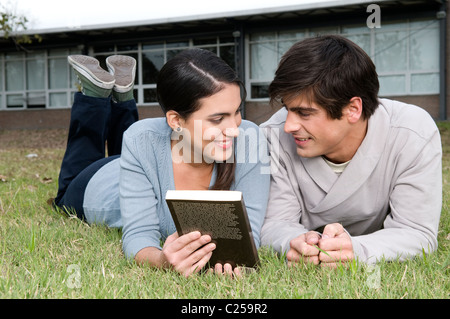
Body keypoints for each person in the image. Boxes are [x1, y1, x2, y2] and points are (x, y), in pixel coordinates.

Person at [54, 49, 270, 277]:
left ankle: (122, 97)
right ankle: (94, 95)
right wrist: (161, 260)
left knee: (138, 139)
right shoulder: (141, 141)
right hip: (99, 182)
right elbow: (138, 234)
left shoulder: (249, 138)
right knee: (82, 157)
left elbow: (249, 232)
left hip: (147, 159)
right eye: (217, 119)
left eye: (237, 112)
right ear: (175, 120)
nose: (234, 130)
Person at [260, 35, 442, 267]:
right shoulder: (271, 136)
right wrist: (292, 242)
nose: (288, 126)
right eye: (287, 109)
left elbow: (416, 231)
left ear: (353, 109)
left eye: (304, 113)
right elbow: (275, 222)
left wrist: (358, 250)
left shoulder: (412, 132)